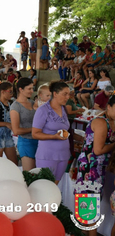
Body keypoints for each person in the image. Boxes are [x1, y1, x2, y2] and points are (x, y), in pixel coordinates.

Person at [76, 96, 115, 236]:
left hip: (99, 168)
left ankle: (85, 232)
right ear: (108, 107)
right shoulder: (101, 122)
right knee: (89, 204)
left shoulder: (111, 122)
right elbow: (98, 150)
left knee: (90, 202)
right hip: (90, 168)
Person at [32, 81, 71, 184]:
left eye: (69, 94)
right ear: (55, 94)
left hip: (63, 154)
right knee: (45, 185)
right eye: (64, 94)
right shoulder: (43, 110)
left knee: (55, 185)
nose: (67, 97)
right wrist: (54, 136)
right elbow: (35, 133)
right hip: (47, 155)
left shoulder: (64, 109)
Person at [10, 78, 38, 171]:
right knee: (30, 174)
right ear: (21, 89)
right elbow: (16, 130)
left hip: (38, 140)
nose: (32, 91)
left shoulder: (32, 103)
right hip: (26, 142)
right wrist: (33, 129)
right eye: (29, 89)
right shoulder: (15, 106)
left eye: (32, 88)